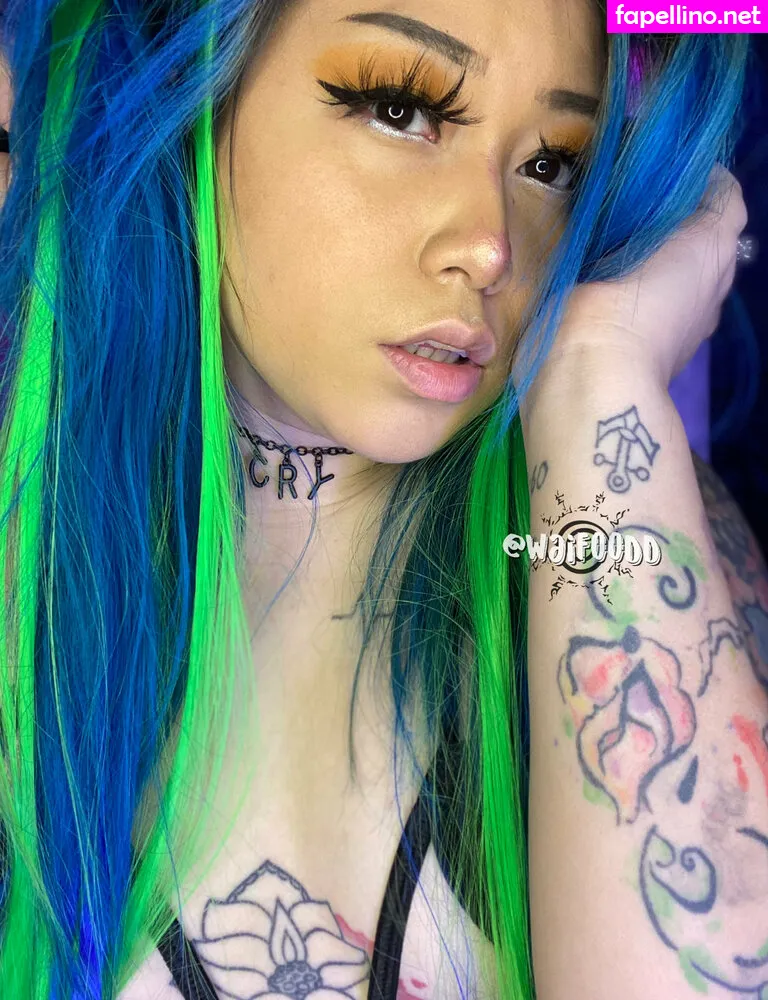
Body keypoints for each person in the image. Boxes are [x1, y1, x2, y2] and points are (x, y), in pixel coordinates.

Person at [0, 2, 765, 999]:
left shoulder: (604, 527)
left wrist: (599, 371)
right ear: (194, 80)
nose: (489, 247)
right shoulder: (28, 552)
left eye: (551, 164)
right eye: (401, 108)